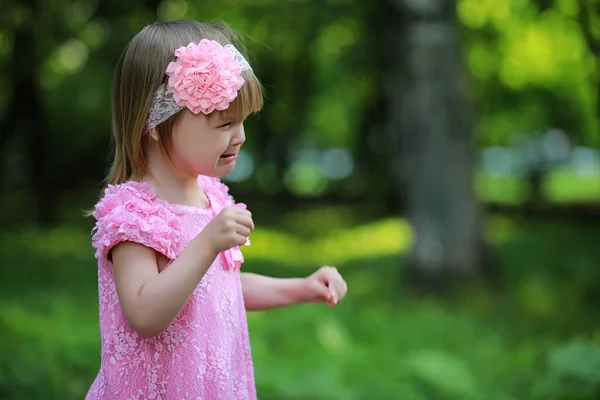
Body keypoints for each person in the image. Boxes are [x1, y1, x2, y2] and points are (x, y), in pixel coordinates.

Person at [84, 18, 348, 400]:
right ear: (155, 123)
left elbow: (220, 287)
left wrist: (302, 287)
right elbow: (143, 314)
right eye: (224, 123)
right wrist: (206, 244)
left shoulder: (211, 195)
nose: (239, 136)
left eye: (242, 122)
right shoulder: (136, 213)